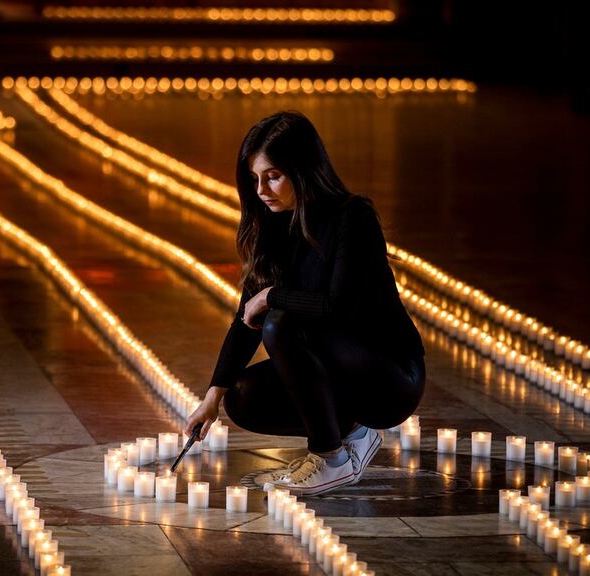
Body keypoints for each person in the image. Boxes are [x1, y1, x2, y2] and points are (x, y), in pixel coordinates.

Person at [183, 110, 426, 496]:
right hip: (340, 374)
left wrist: (272, 296)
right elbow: (246, 319)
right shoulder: (274, 227)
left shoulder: (353, 218)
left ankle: (330, 458)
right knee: (243, 398)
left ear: (304, 169)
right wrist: (213, 396)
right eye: (255, 178)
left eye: (273, 176)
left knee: (280, 321)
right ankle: (351, 435)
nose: (261, 189)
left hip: (388, 377)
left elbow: (338, 308)